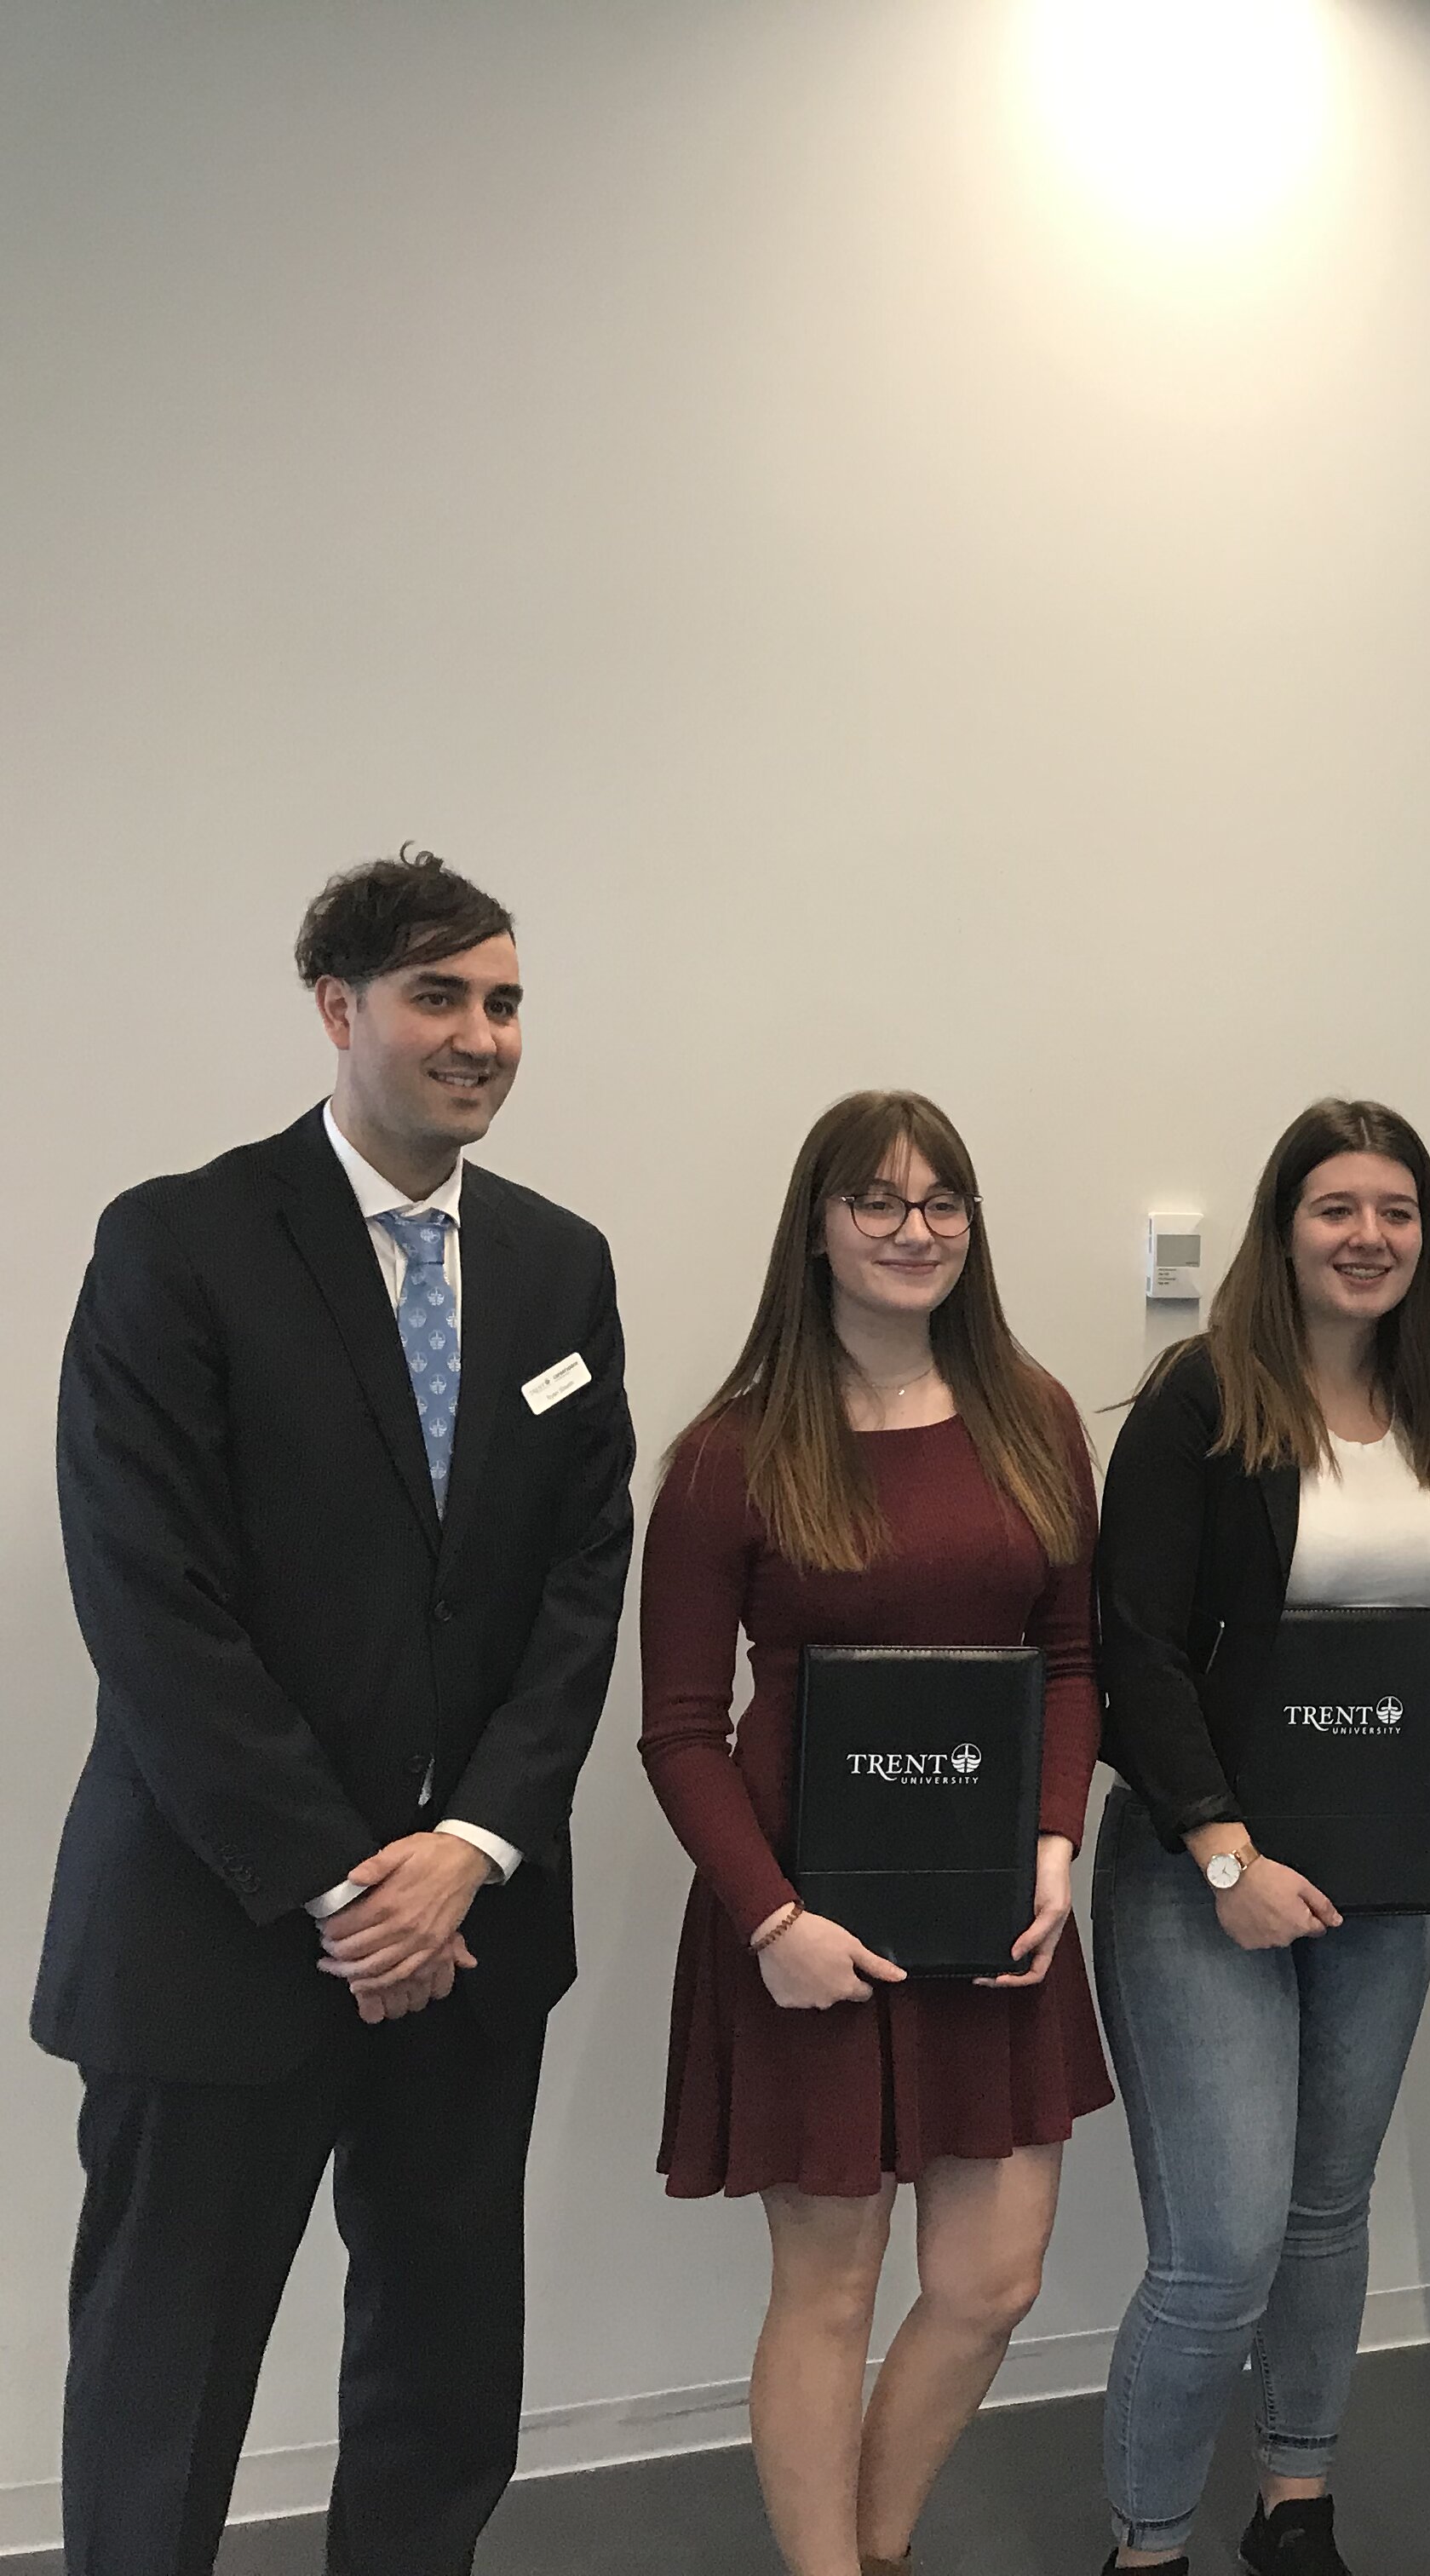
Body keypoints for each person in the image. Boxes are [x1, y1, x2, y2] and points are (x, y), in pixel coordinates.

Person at [36, 850, 635, 2576]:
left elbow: (579, 1579)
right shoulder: (180, 1244)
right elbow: (153, 1602)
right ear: (337, 1009)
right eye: (438, 997)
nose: (481, 1037)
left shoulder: (558, 1266)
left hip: (473, 1930)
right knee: (164, 2383)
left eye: (504, 1002)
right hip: (221, 1927)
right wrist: (349, 1885)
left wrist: (471, 1845)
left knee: (444, 2373)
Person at [638, 1090, 1112, 2576]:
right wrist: (771, 1922)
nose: (916, 1230)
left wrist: (1054, 1846)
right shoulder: (730, 1452)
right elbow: (678, 1727)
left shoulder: (1034, 1416)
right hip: (806, 1916)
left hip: (996, 1904)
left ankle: (878, 2550)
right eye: (879, 1202)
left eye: (942, 1202)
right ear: (819, 1228)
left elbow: (1073, 1663)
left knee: (991, 2280)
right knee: (829, 2290)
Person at [1090, 1098, 1430, 2576]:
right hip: (1207, 1879)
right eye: (1338, 1208)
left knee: (1326, 2216)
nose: (1369, 1236)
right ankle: (1145, 2547)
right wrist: (1224, 1852)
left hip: (1379, 1879)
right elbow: (1134, 1647)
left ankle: (1294, 2504)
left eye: (1397, 1211)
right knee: (1220, 2250)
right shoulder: (1203, 1398)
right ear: (1284, 1227)